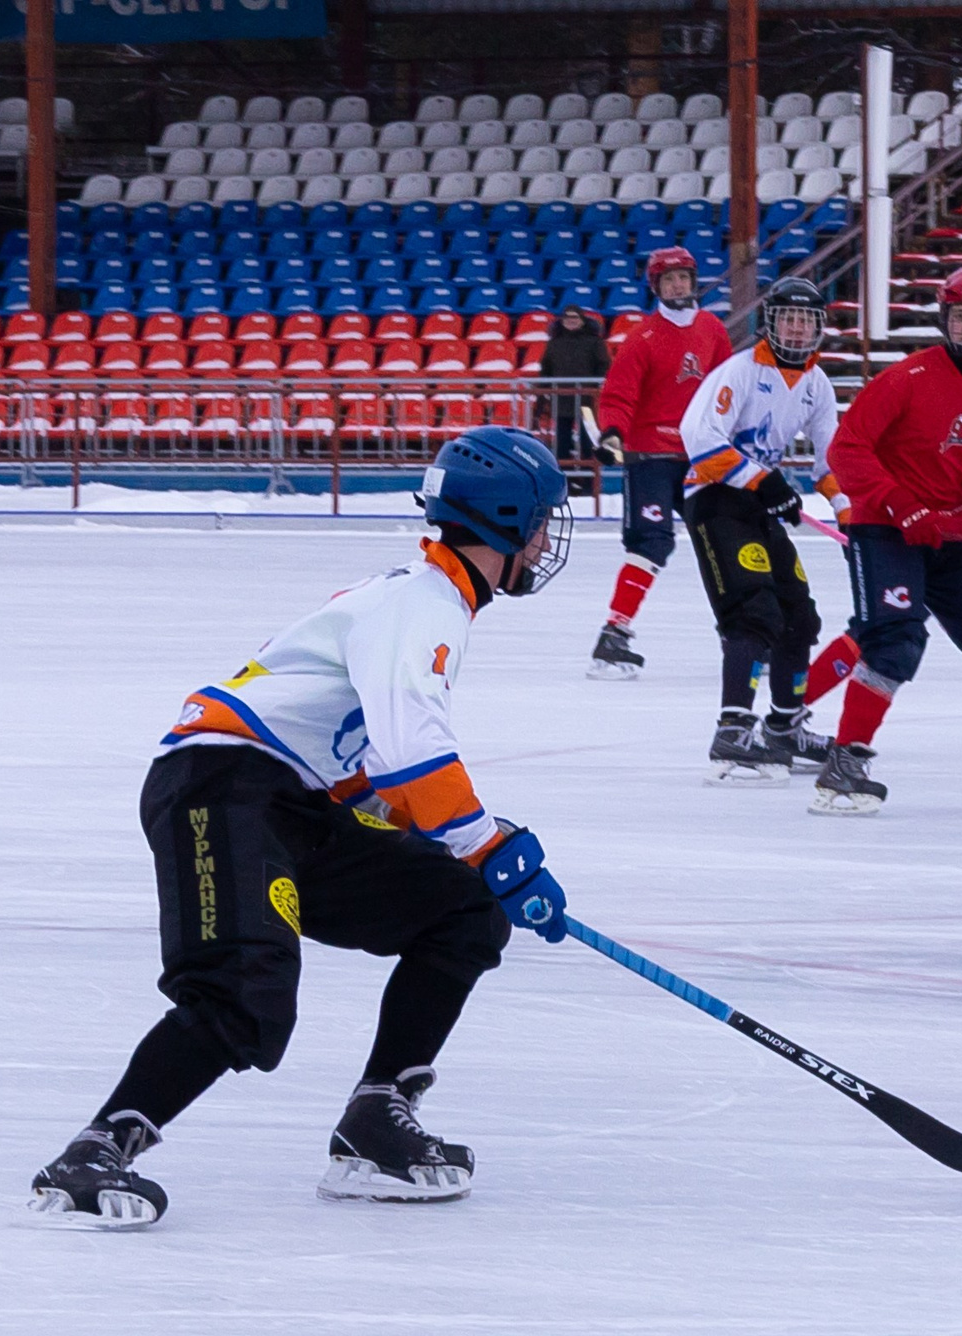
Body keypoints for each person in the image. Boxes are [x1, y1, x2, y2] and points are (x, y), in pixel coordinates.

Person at [28, 428, 576, 1230]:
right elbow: (416, 755)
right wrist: (492, 846)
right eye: (539, 521)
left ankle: (376, 1118)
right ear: (504, 519)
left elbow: (371, 773)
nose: (542, 539)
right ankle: (94, 1150)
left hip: (291, 801)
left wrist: (472, 858)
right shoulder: (424, 604)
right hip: (222, 785)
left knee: (461, 903)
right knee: (244, 991)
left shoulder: (421, 599)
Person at [815, 267, 962, 814]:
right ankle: (845, 763)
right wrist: (903, 504)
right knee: (895, 642)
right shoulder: (908, 377)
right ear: (946, 320)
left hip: (948, 531)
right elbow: (847, 451)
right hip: (882, 527)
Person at [677, 275, 842, 782]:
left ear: (818, 328)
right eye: (787, 318)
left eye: (806, 320)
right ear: (770, 323)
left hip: (759, 503)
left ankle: (785, 727)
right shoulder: (740, 372)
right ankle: (732, 732)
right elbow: (697, 435)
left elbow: (830, 461)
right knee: (754, 610)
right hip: (714, 499)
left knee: (799, 615)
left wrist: (850, 512)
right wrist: (764, 481)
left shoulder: (817, 384)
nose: (796, 329)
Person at [586, 246, 733, 679]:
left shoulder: (712, 329)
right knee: (651, 542)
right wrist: (612, 431)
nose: (678, 286)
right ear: (657, 287)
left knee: (723, 541)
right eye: (669, 280)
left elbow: (727, 388)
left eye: (684, 278)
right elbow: (618, 395)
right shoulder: (642, 338)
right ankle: (614, 635)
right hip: (649, 456)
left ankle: (740, 631)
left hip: (699, 458)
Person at [535, 299, 609, 480]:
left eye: (575, 317)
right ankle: (563, 477)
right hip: (561, 399)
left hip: (587, 400)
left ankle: (589, 480)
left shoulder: (594, 342)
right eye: (567, 318)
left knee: (587, 440)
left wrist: (594, 385)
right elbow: (546, 370)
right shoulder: (554, 343)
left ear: (582, 320)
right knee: (562, 441)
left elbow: (604, 365)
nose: (571, 321)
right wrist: (542, 399)